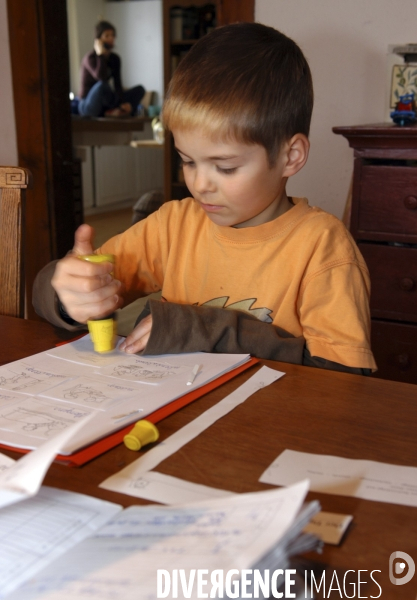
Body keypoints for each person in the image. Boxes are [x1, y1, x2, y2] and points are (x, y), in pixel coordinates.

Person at [33, 23, 377, 375]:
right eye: (187, 161)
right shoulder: (174, 225)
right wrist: (66, 293)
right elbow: (70, 286)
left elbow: (342, 383)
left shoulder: (323, 248)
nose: (199, 185)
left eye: (225, 167)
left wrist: (204, 328)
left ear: (290, 157)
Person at [78, 20, 145, 118]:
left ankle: (119, 109)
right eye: (107, 35)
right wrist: (100, 55)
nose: (111, 38)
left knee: (140, 89)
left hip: (106, 102)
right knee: (102, 85)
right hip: (88, 104)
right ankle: (116, 109)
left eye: (113, 35)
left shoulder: (115, 58)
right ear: (98, 39)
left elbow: (117, 84)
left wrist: (123, 102)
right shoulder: (90, 58)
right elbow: (101, 77)